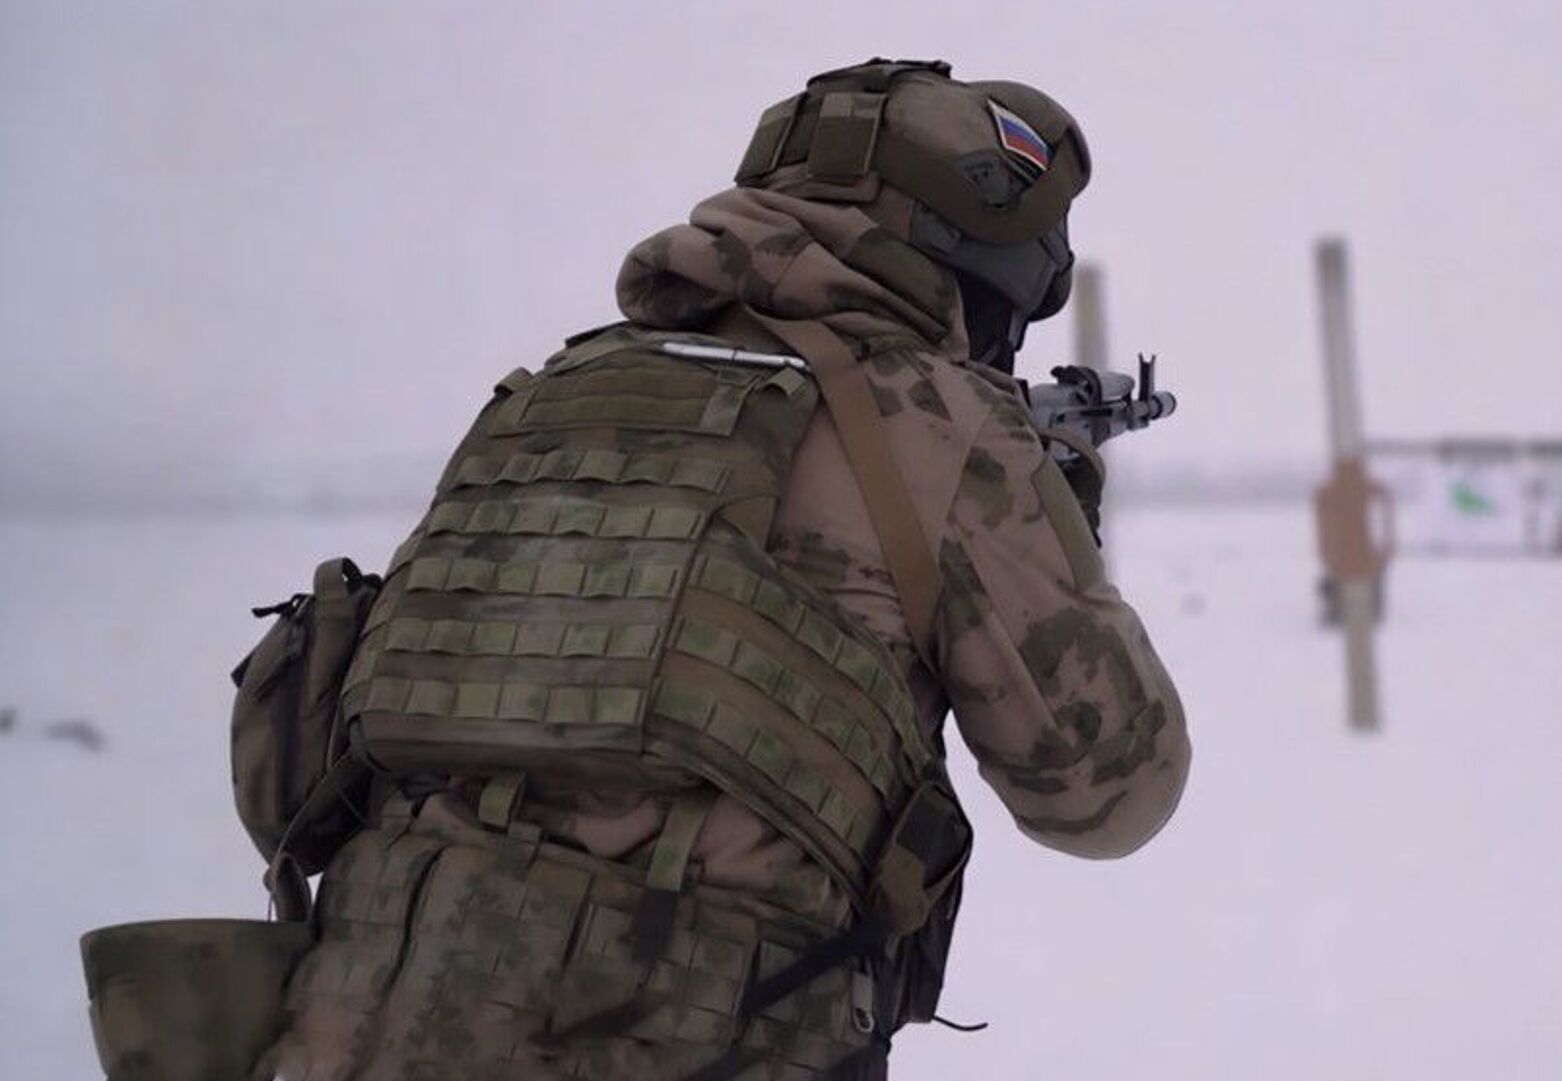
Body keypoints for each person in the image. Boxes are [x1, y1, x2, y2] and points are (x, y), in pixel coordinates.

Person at [261, 58, 1188, 1081]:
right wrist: (1049, 513)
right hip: (692, 1027)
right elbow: (1111, 793)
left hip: (358, 1012)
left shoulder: (549, 391)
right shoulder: (941, 428)